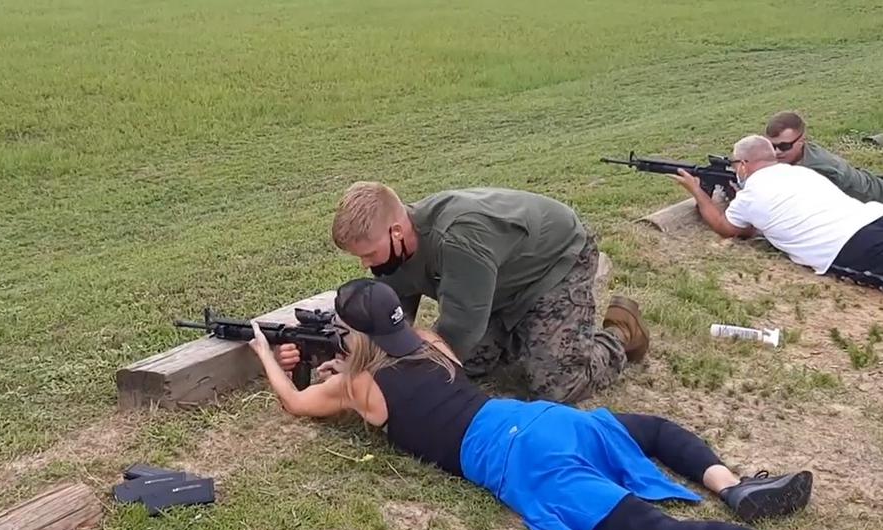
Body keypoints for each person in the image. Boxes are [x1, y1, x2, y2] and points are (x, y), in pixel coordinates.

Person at [248, 277, 873, 530]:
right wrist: (337, 371)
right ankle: (731, 485)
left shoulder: (358, 386)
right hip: (535, 420)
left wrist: (268, 359)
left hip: (519, 462)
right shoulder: (434, 344)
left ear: (352, 336)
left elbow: (297, 405)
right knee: (649, 431)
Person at [328, 182, 649, 404]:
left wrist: (400, 376)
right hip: (493, 286)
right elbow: (392, 319)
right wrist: (358, 360)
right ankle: (521, 334)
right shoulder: (396, 250)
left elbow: (458, 331)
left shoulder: (458, 239)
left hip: (554, 265)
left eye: (369, 253)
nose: (364, 264)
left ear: (396, 231)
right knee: (473, 365)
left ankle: (620, 333)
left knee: (554, 387)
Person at [670, 134, 883, 289]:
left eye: (735, 165)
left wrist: (696, 191)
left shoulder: (750, 195)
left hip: (849, 245)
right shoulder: (800, 172)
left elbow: (723, 226)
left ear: (743, 164)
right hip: (873, 215)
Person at [765, 111, 883, 204]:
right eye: (771, 145)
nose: (776, 152)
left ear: (801, 141)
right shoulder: (797, 154)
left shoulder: (818, 170)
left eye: (785, 146)